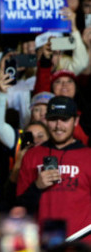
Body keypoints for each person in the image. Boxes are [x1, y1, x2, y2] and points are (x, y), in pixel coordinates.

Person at [17, 96, 91, 244]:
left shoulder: (88, 156)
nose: (58, 126)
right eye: (53, 119)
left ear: (75, 121)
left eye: (64, 120)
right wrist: (37, 186)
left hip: (82, 244)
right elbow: (20, 208)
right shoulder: (32, 155)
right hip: (44, 243)